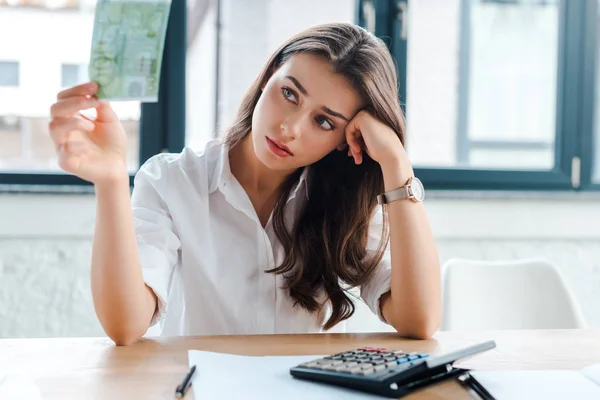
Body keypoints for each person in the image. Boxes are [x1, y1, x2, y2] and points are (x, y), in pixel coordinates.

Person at [48, 22, 441, 345]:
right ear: (268, 77)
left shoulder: (345, 202)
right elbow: (125, 325)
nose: (289, 128)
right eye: (289, 93)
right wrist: (112, 180)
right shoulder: (172, 180)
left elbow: (418, 320)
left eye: (323, 122)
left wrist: (395, 162)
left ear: (345, 141)